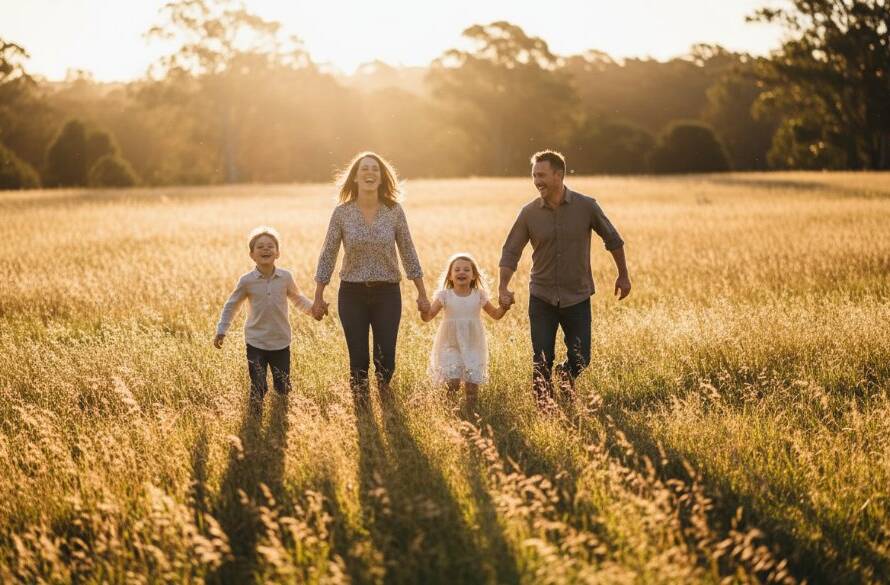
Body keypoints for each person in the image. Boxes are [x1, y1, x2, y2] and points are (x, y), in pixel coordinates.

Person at [498, 150, 631, 409]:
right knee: (541, 359)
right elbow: (511, 251)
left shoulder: (586, 206)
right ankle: (545, 409)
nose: (537, 181)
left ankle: (565, 375)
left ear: (559, 175)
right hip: (542, 296)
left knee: (581, 358)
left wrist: (623, 275)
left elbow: (613, 239)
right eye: (534, 176)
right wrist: (503, 286)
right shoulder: (528, 213)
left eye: (542, 175)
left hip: (577, 296)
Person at [313, 152, 430, 404]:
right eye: (364, 169)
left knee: (385, 355)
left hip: (387, 293)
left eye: (375, 169)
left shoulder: (394, 211)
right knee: (358, 357)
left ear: (382, 177)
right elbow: (328, 254)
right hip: (351, 293)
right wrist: (318, 295)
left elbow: (408, 251)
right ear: (355, 177)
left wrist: (422, 293)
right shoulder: (342, 213)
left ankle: (385, 397)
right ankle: (361, 404)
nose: (370, 173)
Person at [214, 226, 322, 409]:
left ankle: (281, 416)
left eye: (270, 246)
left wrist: (314, 310)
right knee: (258, 386)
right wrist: (221, 330)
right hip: (256, 342)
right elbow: (232, 305)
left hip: (281, 341)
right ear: (252, 255)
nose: (266, 249)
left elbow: (298, 299)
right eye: (260, 246)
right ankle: (254, 417)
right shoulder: (247, 281)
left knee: (283, 387)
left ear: (278, 253)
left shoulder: (285, 277)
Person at [421, 253, 510, 411]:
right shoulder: (445, 296)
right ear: (450, 276)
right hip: (450, 344)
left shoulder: (479, 295)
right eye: (457, 269)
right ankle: (449, 412)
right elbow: (428, 317)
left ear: (474, 275)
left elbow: (496, 315)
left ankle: (471, 414)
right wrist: (423, 309)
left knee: (471, 386)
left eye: (466, 270)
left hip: (473, 345)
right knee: (453, 382)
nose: (461, 272)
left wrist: (504, 306)